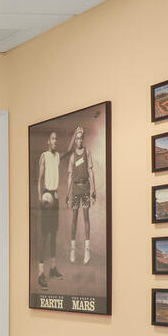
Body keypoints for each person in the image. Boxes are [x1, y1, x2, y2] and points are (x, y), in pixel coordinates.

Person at [66, 124, 99, 264]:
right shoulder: (72, 156)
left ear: (83, 139)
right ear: (75, 140)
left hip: (85, 188)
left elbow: (90, 171)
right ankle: (73, 249)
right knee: (74, 218)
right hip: (75, 189)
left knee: (86, 217)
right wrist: (67, 194)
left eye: (81, 138)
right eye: (77, 138)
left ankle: (87, 249)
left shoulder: (87, 152)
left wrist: (93, 189)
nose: (79, 140)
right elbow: (70, 176)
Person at [34, 132, 63, 290]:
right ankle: (40, 273)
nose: (55, 141)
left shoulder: (57, 156)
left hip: (55, 196)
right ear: (48, 141)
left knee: (54, 234)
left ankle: (53, 268)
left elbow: (69, 150)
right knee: (45, 235)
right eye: (52, 138)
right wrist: (40, 198)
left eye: (56, 139)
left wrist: (75, 135)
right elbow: (39, 180)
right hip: (46, 196)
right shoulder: (44, 156)